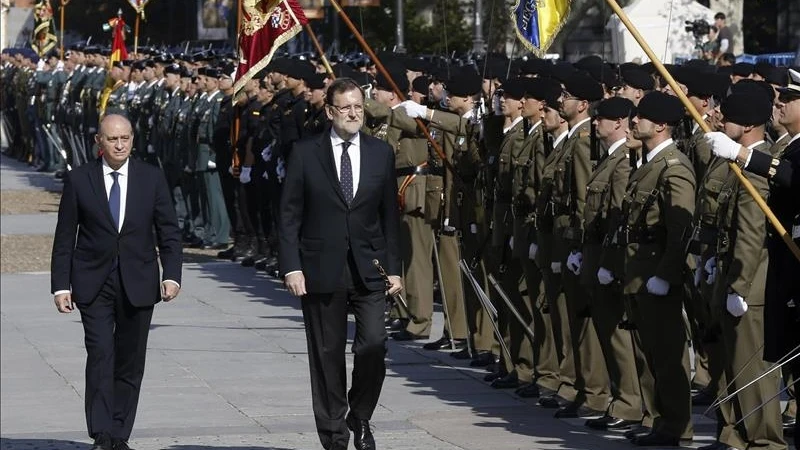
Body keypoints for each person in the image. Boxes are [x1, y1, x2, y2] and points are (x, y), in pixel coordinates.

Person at [278, 77, 403, 450]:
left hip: (370, 267)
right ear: (330, 111)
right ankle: (334, 436)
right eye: (346, 108)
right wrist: (291, 266)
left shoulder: (381, 153)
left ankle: (360, 413)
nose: (353, 114)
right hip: (320, 267)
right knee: (327, 355)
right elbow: (288, 216)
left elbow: (389, 219)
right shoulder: (305, 152)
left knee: (373, 345)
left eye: (359, 107)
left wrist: (394, 267)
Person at [50, 114, 183, 450]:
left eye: (125, 138)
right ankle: (101, 432)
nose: (120, 145)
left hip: (138, 281)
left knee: (130, 360)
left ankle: (120, 433)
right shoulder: (80, 179)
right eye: (113, 139)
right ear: (99, 141)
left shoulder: (150, 178)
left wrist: (171, 275)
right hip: (93, 281)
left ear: (133, 139)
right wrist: (61, 285)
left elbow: (169, 231)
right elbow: (65, 236)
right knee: (100, 354)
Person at [704, 68, 800, 448]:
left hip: (763, 274)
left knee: (754, 368)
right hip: (750, 270)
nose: (778, 104)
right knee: (731, 362)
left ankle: (764, 441)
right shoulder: (774, 152)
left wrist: (741, 284)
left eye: (787, 99)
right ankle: (735, 434)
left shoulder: (768, 158)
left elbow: (752, 229)